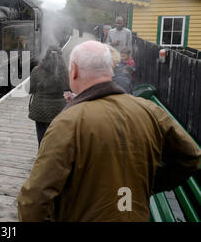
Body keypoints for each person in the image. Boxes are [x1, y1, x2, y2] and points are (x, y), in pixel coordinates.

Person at [17, 41, 200, 222]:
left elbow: (34, 198)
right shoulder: (150, 111)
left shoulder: (67, 123)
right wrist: (146, 185)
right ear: (110, 69)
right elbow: (191, 157)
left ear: (74, 70)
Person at [28, 45, 69, 147]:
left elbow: (32, 90)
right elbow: (69, 90)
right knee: (57, 139)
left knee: (41, 139)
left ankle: (42, 156)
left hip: (40, 109)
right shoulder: (66, 73)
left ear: (46, 56)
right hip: (59, 110)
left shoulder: (36, 70)